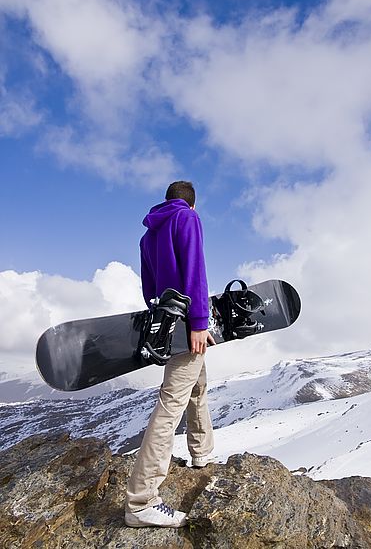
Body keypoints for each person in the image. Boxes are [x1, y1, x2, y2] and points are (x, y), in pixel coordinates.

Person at [125, 181, 215, 528]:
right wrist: (198, 321)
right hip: (187, 320)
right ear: (191, 205)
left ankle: (201, 452)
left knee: (197, 384)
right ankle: (142, 499)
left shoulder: (148, 236)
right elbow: (196, 271)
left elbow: (149, 288)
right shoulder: (187, 220)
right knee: (171, 403)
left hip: (165, 318)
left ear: (166, 201)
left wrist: (164, 319)